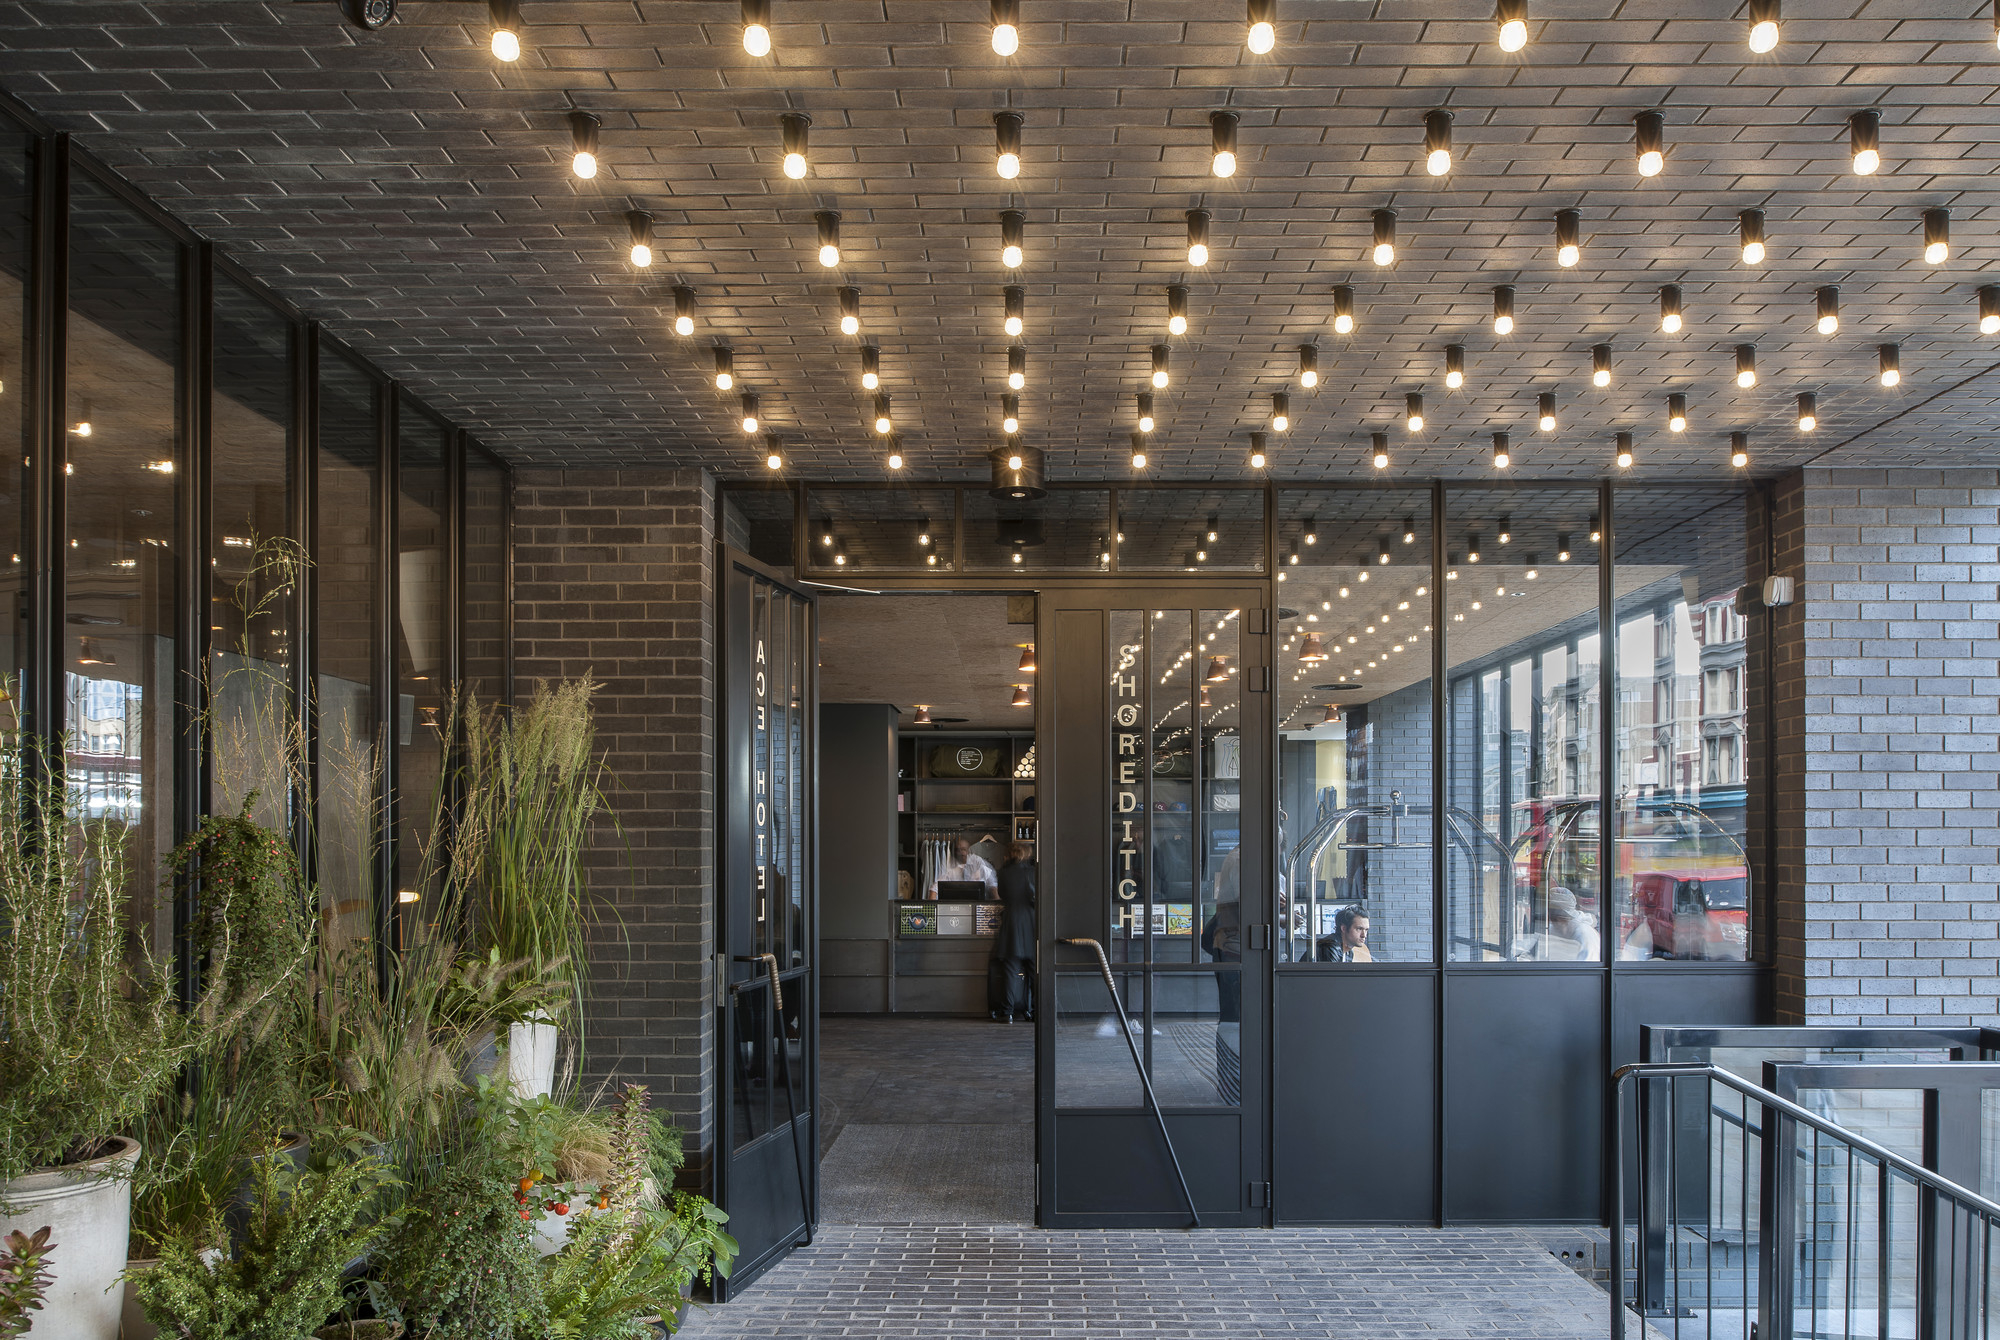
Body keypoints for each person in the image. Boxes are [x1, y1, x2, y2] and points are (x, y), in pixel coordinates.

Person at [987, 842, 1036, 1023]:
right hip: (1031, 923)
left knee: (1010, 971)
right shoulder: (1033, 872)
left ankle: (1007, 1012)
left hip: (1011, 923)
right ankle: (1036, 1011)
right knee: (1034, 972)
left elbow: (1002, 895)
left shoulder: (1003, 873)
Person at [1518, 886, 1600, 961]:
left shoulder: (1584, 934)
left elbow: (1587, 964)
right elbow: (1531, 949)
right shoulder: (1552, 928)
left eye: (1555, 912)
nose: (1552, 918)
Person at [929, 833, 997, 898]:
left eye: (963, 849)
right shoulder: (950, 865)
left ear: (968, 851)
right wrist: (932, 901)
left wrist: (996, 899)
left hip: (977, 901)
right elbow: (935, 887)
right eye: (959, 850)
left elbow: (991, 881)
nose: (961, 853)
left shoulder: (977, 861)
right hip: (957, 902)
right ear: (955, 852)